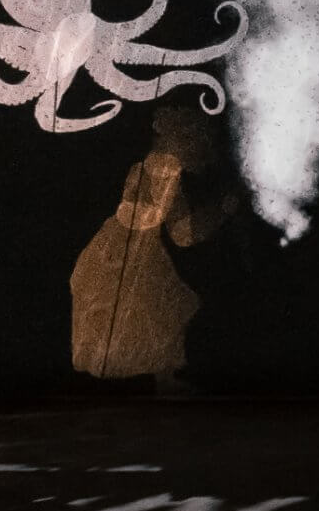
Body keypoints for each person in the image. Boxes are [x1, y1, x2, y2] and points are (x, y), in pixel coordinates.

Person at [69, 104, 237, 390]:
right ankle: (125, 381)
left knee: (162, 308)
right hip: (121, 250)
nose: (196, 147)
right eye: (191, 137)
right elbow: (142, 217)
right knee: (141, 307)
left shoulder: (169, 172)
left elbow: (181, 233)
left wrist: (220, 212)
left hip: (142, 250)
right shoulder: (156, 167)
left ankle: (163, 378)